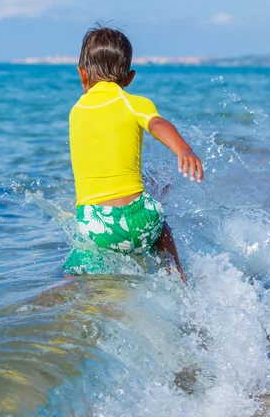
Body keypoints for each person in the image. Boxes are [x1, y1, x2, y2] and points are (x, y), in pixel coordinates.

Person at [64, 25, 203, 281]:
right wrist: (184, 149)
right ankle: (178, 278)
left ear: (81, 74)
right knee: (161, 226)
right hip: (140, 223)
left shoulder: (76, 110)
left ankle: (70, 296)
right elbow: (157, 124)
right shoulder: (133, 102)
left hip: (94, 226)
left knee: (78, 271)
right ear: (129, 78)